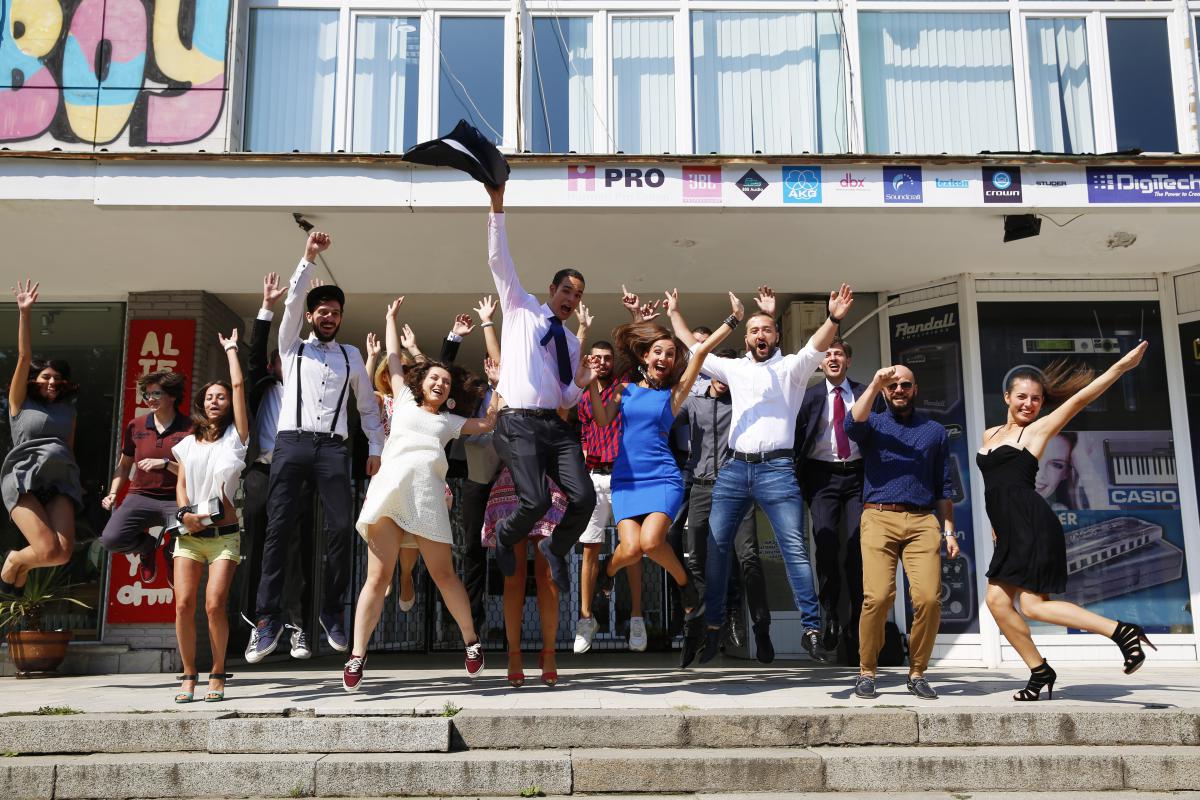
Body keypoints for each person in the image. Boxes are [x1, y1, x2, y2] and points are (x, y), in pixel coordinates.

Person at [669, 285, 854, 664]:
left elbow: (817, 344)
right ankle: (714, 627)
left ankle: (811, 629)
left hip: (778, 469)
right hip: (734, 468)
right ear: (747, 338)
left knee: (795, 551)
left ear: (776, 336)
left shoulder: (792, 368)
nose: (759, 335)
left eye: (766, 330)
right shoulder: (734, 368)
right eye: (753, 330)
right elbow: (694, 348)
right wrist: (673, 313)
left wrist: (833, 318)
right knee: (717, 552)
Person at [978, 344, 1154, 701]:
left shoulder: (1038, 431)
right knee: (1002, 604)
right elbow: (995, 489)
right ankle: (1042, 670)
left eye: (1037, 399)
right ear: (1006, 397)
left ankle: (1119, 631)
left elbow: (1080, 400)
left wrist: (1120, 367)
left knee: (1028, 605)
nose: (1029, 404)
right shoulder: (990, 435)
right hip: (1009, 530)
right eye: (1022, 397)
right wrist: (997, 528)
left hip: (1032, 524)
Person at [343, 297, 499, 691]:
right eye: (433, 377)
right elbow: (394, 358)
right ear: (421, 382)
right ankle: (357, 655)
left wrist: (497, 382)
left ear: (449, 393)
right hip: (389, 492)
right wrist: (390, 318)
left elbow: (489, 422)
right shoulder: (405, 400)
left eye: (445, 381)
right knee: (376, 579)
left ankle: (471, 642)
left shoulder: (452, 421)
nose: (438, 382)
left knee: (444, 575)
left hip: (428, 498)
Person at [247, 230, 385, 663]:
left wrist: (377, 448)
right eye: (322, 311)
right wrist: (307, 258)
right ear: (310, 317)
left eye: (336, 312)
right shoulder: (292, 349)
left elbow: (367, 407)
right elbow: (287, 310)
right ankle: (267, 619)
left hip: (333, 450)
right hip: (291, 445)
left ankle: (331, 612)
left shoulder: (350, 356)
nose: (330, 317)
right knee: (278, 529)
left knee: (342, 528)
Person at [586, 289, 742, 667]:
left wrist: (732, 320)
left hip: (663, 478)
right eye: (657, 352)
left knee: (653, 541)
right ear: (644, 356)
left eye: (670, 354)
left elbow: (702, 353)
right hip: (627, 480)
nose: (664, 357)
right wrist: (592, 382)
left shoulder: (676, 393)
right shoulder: (623, 390)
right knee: (632, 550)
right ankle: (609, 570)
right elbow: (603, 420)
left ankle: (687, 586)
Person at [483, 183, 596, 593]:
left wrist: (580, 385)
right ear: (552, 291)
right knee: (536, 501)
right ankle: (506, 537)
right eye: (567, 290)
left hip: (555, 429)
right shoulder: (521, 307)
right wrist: (497, 203)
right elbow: (498, 257)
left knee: (583, 498)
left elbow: (564, 396)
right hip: (518, 424)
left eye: (578, 295)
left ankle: (556, 546)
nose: (571, 298)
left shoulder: (569, 341)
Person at [846, 364, 960, 701]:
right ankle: (867, 670)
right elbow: (851, 424)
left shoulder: (934, 431)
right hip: (879, 517)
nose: (899, 390)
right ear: (884, 390)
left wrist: (949, 528)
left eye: (905, 385)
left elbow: (944, 484)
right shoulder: (874, 424)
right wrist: (875, 381)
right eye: (892, 385)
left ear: (915, 388)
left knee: (928, 598)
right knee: (878, 597)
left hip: (923, 520)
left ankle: (918, 672)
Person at [676, 348, 773, 666]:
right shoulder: (694, 401)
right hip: (701, 488)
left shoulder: (746, 403)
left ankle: (760, 627)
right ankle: (698, 628)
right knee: (695, 561)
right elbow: (663, 414)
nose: (722, 378)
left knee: (748, 557)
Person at [170, 329, 250, 703]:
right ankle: (188, 674)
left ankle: (218, 671)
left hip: (224, 535)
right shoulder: (187, 442)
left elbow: (238, 383)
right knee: (184, 605)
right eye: (210, 397)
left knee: (214, 604)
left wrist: (231, 350)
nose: (216, 401)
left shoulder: (237, 437)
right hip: (188, 535)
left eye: (221, 397)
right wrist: (185, 513)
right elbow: (181, 484)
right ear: (202, 404)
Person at [239, 271, 313, 660]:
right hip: (262, 473)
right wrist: (267, 307)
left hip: (296, 475)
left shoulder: (311, 388)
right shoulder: (264, 388)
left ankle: (297, 625)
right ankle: (258, 624)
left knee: (293, 549)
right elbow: (254, 355)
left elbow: (316, 351)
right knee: (257, 545)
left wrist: (311, 312)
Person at [1, 280, 81, 594]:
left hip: (60, 481)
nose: (52, 382)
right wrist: (24, 313)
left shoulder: (68, 411)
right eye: (46, 377)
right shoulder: (20, 403)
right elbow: (23, 357)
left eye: (58, 379)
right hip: (22, 480)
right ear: (35, 379)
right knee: (47, 550)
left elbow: (69, 449)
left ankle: (17, 560)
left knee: (61, 554)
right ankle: (14, 560)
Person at [795, 337, 870, 654]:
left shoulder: (865, 393)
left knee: (856, 548)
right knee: (826, 546)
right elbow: (797, 437)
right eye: (828, 355)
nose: (833, 358)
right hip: (822, 476)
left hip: (857, 476)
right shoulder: (809, 397)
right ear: (821, 363)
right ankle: (830, 617)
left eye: (839, 353)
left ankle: (856, 622)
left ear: (848, 361)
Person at [574, 339, 646, 654]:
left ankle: (637, 617)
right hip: (592, 475)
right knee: (590, 549)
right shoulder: (578, 393)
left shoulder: (623, 387)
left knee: (634, 549)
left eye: (607, 358)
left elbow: (635, 353)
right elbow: (575, 432)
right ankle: (586, 619)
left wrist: (634, 316)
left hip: (624, 475)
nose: (603, 363)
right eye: (597, 358)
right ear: (589, 359)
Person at [100, 368, 190, 584]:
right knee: (111, 539)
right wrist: (113, 493)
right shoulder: (136, 425)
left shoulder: (190, 429)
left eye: (156, 394)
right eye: (147, 394)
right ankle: (148, 548)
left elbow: (194, 474)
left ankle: (171, 553)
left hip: (176, 498)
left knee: (193, 534)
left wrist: (166, 464)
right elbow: (124, 466)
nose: (150, 399)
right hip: (140, 495)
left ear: (173, 396)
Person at [483, 463, 567, 687]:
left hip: (548, 480)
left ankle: (549, 652)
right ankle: (514, 655)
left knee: (548, 574)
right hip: (513, 481)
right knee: (513, 575)